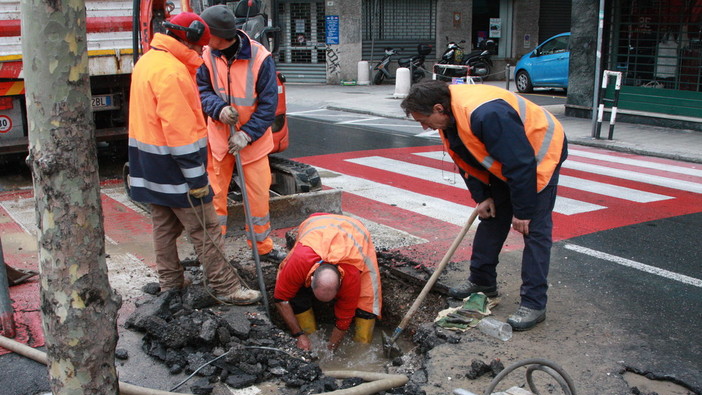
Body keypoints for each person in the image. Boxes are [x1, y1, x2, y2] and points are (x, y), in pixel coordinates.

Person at [401, 80, 567, 331]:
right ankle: (483, 282)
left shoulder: (487, 114)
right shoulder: (450, 116)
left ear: (438, 108)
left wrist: (523, 212)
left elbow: (521, 163)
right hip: (508, 162)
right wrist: (483, 197)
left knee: (533, 230)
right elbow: (465, 157)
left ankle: (534, 303)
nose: (424, 127)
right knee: (491, 217)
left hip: (537, 158)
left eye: (423, 120)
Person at [127, 11, 261, 305]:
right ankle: (225, 287)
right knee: (206, 227)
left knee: (163, 226)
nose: (203, 51)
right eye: (200, 46)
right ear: (187, 40)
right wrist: (197, 178)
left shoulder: (148, 61)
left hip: (149, 164)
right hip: (175, 167)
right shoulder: (172, 73)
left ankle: (170, 282)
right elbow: (180, 132)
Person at [196, 5, 284, 262]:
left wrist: (246, 134)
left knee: (257, 199)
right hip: (220, 140)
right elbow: (202, 91)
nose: (203, 40)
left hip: (252, 143)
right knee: (214, 199)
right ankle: (213, 253)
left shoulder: (260, 58)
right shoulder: (207, 55)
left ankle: (262, 249)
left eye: (206, 34)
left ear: (221, 36)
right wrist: (218, 109)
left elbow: (269, 106)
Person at [273, 214, 382, 351]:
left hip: (356, 231)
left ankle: (362, 346)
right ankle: (309, 334)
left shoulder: (351, 276)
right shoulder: (299, 261)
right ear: (311, 280)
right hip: (315, 223)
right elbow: (281, 298)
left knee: (367, 301)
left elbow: (344, 319)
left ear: (340, 288)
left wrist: (331, 349)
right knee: (294, 293)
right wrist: (299, 335)